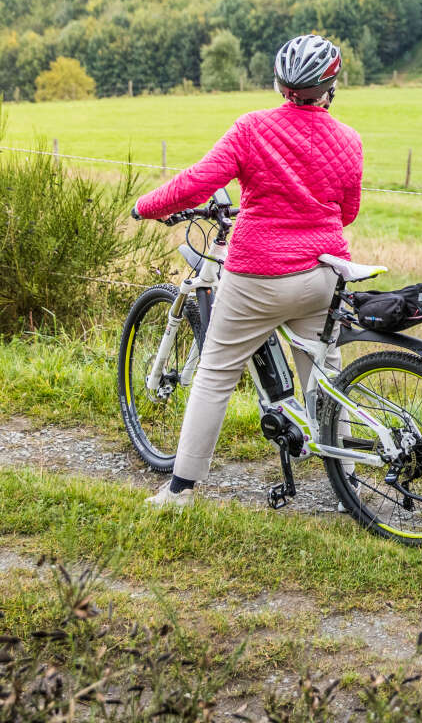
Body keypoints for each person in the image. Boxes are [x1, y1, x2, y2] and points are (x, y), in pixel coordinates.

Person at [132, 34, 363, 508]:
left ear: (280, 84)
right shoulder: (349, 140)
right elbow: (348, 212)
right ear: (330, 86)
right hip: (323, 274)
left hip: (257, 276)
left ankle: (180, 489)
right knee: (324, 375)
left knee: (216, 371)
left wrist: (145, 206)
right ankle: (350, 486)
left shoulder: (252, 128)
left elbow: (197, 182)